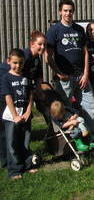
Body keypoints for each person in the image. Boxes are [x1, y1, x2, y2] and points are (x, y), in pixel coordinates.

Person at [46, 0, 94, 143]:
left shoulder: (79, 29)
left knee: (91, 109)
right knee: (64, 113)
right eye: (65, 11)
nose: (68, 13)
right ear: (60, 12)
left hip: (81, 77)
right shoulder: (54, 30)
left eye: (70, 11)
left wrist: (86, 73)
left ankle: (91, 138)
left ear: (73, 12)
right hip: (65, 80)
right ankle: (70, 142)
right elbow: (47, 56)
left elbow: (86, 53)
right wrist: (58, 73)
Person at [0, 30, 46, 169]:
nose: (43, 48)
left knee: (22, 130)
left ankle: (22, 159)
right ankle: (6, 161)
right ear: (32, 44)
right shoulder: (23, 57)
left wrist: (39, 90)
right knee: (6, 130)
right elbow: (13, 74)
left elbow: (37, 79)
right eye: (40, 45)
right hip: (7, 93)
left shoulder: (37, 59)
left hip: (22, 97)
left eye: (44, 45)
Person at [1, 49, 38, 179]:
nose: (18, 66)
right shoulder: (6, 77)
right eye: (15, 63)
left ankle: (28, 165)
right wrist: (15, 115)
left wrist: (28, 111)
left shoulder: (25, 77)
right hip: (12, 116)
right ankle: (15, 170)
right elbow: (8, 97)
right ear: (8, 62)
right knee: (12, 143)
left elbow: (30, 94)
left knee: (25, 141)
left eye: (21, 63)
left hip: (25, 115)